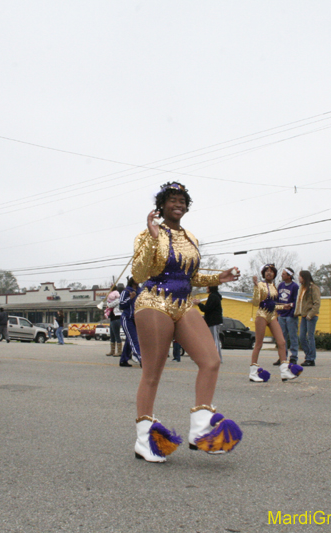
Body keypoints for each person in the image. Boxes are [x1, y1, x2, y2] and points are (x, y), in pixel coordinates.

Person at [131, 181, 242, 463]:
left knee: (211, 360)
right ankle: (144, 440)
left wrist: (219, 278)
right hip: (154, 301)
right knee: (153, 373)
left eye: (182, 200)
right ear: (162, 205)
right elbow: (139, 272)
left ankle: (201, 429)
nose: (178, 204)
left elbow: (190, 277)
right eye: (172, 199)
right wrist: (154, 237)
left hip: (183, 303)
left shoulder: (190, 236)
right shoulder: (148, 233)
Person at [248, 264, 301, 382]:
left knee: (282, 342)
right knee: (259, 344)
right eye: (267, 271)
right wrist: (256, 286)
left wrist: (284, 307)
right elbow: (256, 303)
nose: (269, 273)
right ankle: (253, 371)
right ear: (263, 273)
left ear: (274, 274)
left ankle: (284, 371)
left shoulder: (274, 286)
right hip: (261, 315)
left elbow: (274, 304)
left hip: (272, 316)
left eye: (271, 271)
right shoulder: (260, 285)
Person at [295, 270, 321, 367]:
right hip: (304, 316)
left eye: (300, 276)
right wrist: (297, 313)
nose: (299, 278)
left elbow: (317, 303)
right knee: (301, 337)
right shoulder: (302, 288)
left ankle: (311, 359)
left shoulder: (314, 288)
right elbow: (300, 302)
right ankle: (308, 355)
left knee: (310, 337)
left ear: (304, 277)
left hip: (311, 317)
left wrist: (311, 314)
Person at [276, 268, 300, 365]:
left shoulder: (295, 286)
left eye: (284, 274)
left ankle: (293, 357)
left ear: (289, 276)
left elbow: (296, 301)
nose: (282, 275)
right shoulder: (280, 285)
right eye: (282, 274)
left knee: (293, 336)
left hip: (290, 316)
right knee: (282, 337)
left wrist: (291, 310)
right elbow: (277, 298)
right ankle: (282, 357)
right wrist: (278, 311)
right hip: (281, 315)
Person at [197, 286, 223, 363]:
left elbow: (207, 309)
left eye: (207, 287)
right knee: (211, 340)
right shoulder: (214, 296)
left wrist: (199, 304)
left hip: (214, 322)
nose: (206, 288)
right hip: (211, 322)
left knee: (215, 340)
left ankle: (218, 358)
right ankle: (212, 357)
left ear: (211, 288)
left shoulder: (214, 297)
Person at [118, 278, 141, 367]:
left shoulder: (140, 291)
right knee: (134, 339)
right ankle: (140, 357)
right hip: (127, 318)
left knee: (129, 340)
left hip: (137, 318)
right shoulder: (126, 291)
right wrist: (130, 298)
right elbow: (121, 305)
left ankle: (124, 359)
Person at [105, 286, 123, 356]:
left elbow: (110, 305)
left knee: (116, 335)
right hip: (112, 318)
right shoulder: (112, 300)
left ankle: (119, 351)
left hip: (116, 318)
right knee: (112, 335)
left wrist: (108, 304)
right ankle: (112, 350)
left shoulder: (118, 299)